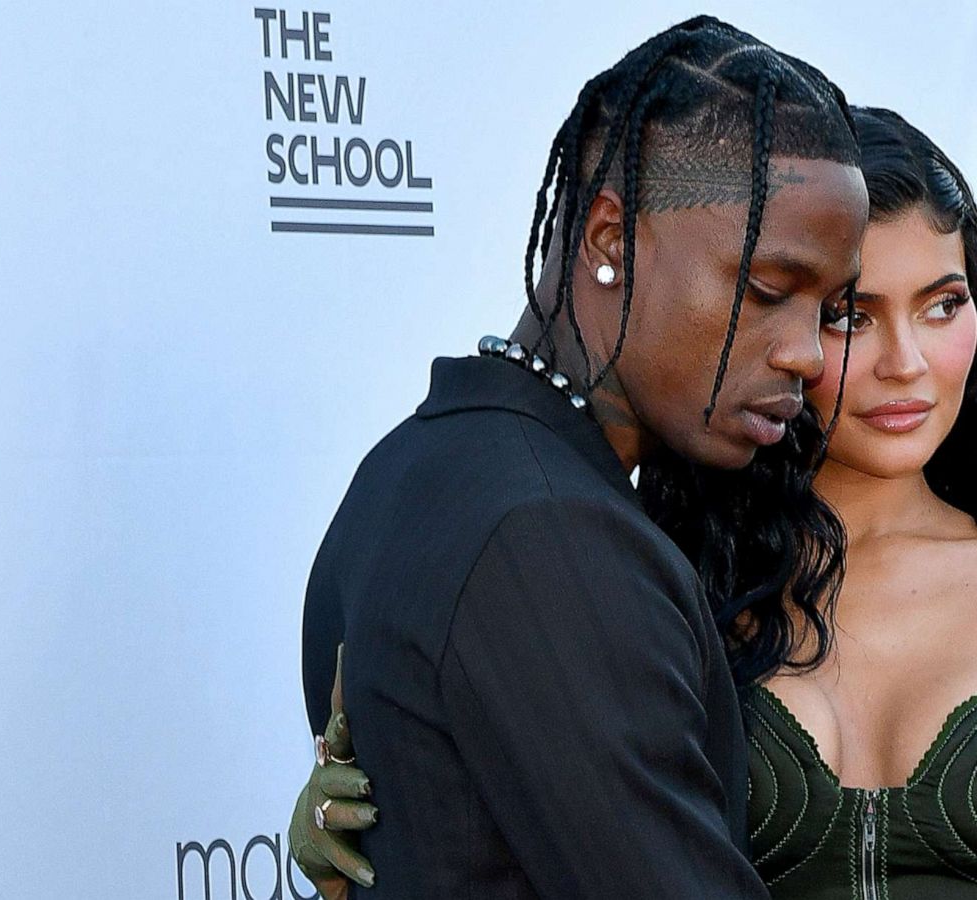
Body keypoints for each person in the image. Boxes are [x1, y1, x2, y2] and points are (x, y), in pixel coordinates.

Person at [296, 108, 977, 897]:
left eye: (942, 303)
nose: (905, 363)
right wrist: (356, 819)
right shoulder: (651, 574)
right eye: (851, 315)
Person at [288, 15, 868, 899]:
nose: (808, 354)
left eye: (828, 309)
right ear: (609, 241)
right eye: (766, 291)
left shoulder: (419, 463)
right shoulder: (548, 537)